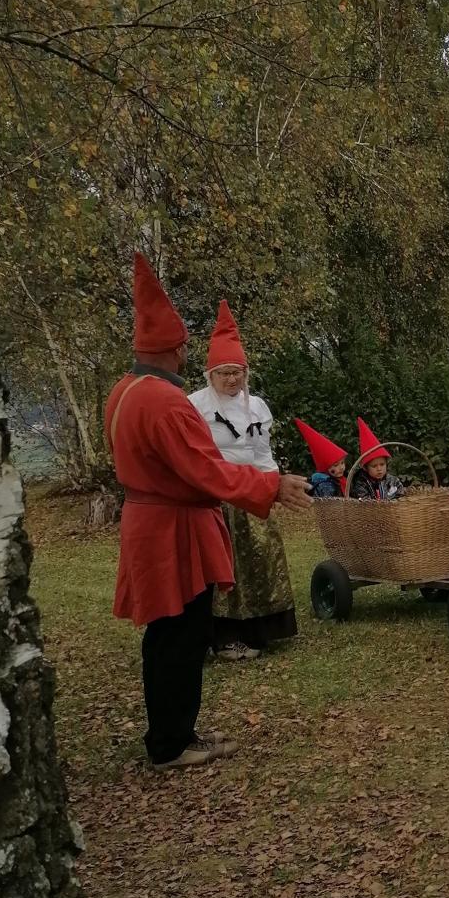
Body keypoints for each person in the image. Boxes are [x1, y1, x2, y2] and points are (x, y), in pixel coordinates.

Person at [108, 253, 311, 771]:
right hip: (172, 529)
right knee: (181, 632)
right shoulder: (165, 402)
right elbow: (207, 471)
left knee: (168, 632)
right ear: (176, 349)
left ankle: (173, 733)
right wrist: (271, 486)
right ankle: (172, 743)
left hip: (150, 520)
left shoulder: (124, 392)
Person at [187, 301, 298, 659]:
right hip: (217, 494)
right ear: (211, 375)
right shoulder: (195, 406)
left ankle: (261, 629)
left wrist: (272, 488)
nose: (232, 380)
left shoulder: (257, 407)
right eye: (224, 373)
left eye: (237, 372)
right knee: (224, 565)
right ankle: (223, 636)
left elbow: (263, 453)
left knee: (261, 559)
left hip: (253, 491)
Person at [349, 418, 406, 501]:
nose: (379, 469)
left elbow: (401, 495)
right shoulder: (361, 484)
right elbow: (363, 500)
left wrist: (396, 502)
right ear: (365, 468)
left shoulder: (393, 481)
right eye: (374, 466)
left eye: (382, 464)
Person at [295, 419, 349, 498]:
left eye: (342, 463)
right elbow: (330, 503)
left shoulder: (341, 480)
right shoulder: (326, 485)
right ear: (325, 468)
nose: (341, 467)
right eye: (336, 465)